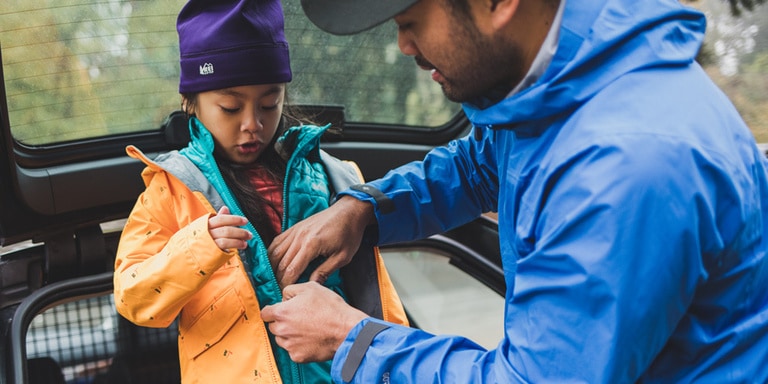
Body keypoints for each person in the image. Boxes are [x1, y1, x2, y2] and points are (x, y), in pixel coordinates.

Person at [260, 0, 768, 382]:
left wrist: (352, 339)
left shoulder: (629, 165)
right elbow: (481, 165)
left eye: (410, 22)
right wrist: (364, 209)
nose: (405, 47)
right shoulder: (552, 84)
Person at [112, 1, 408, 383]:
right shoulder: (170, 190)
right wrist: (200, 245)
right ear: (192, 103)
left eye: (269, 104)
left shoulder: (332, 177)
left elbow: (377, 297)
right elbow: (134, 298)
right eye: (230, 108)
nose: (252, 124)